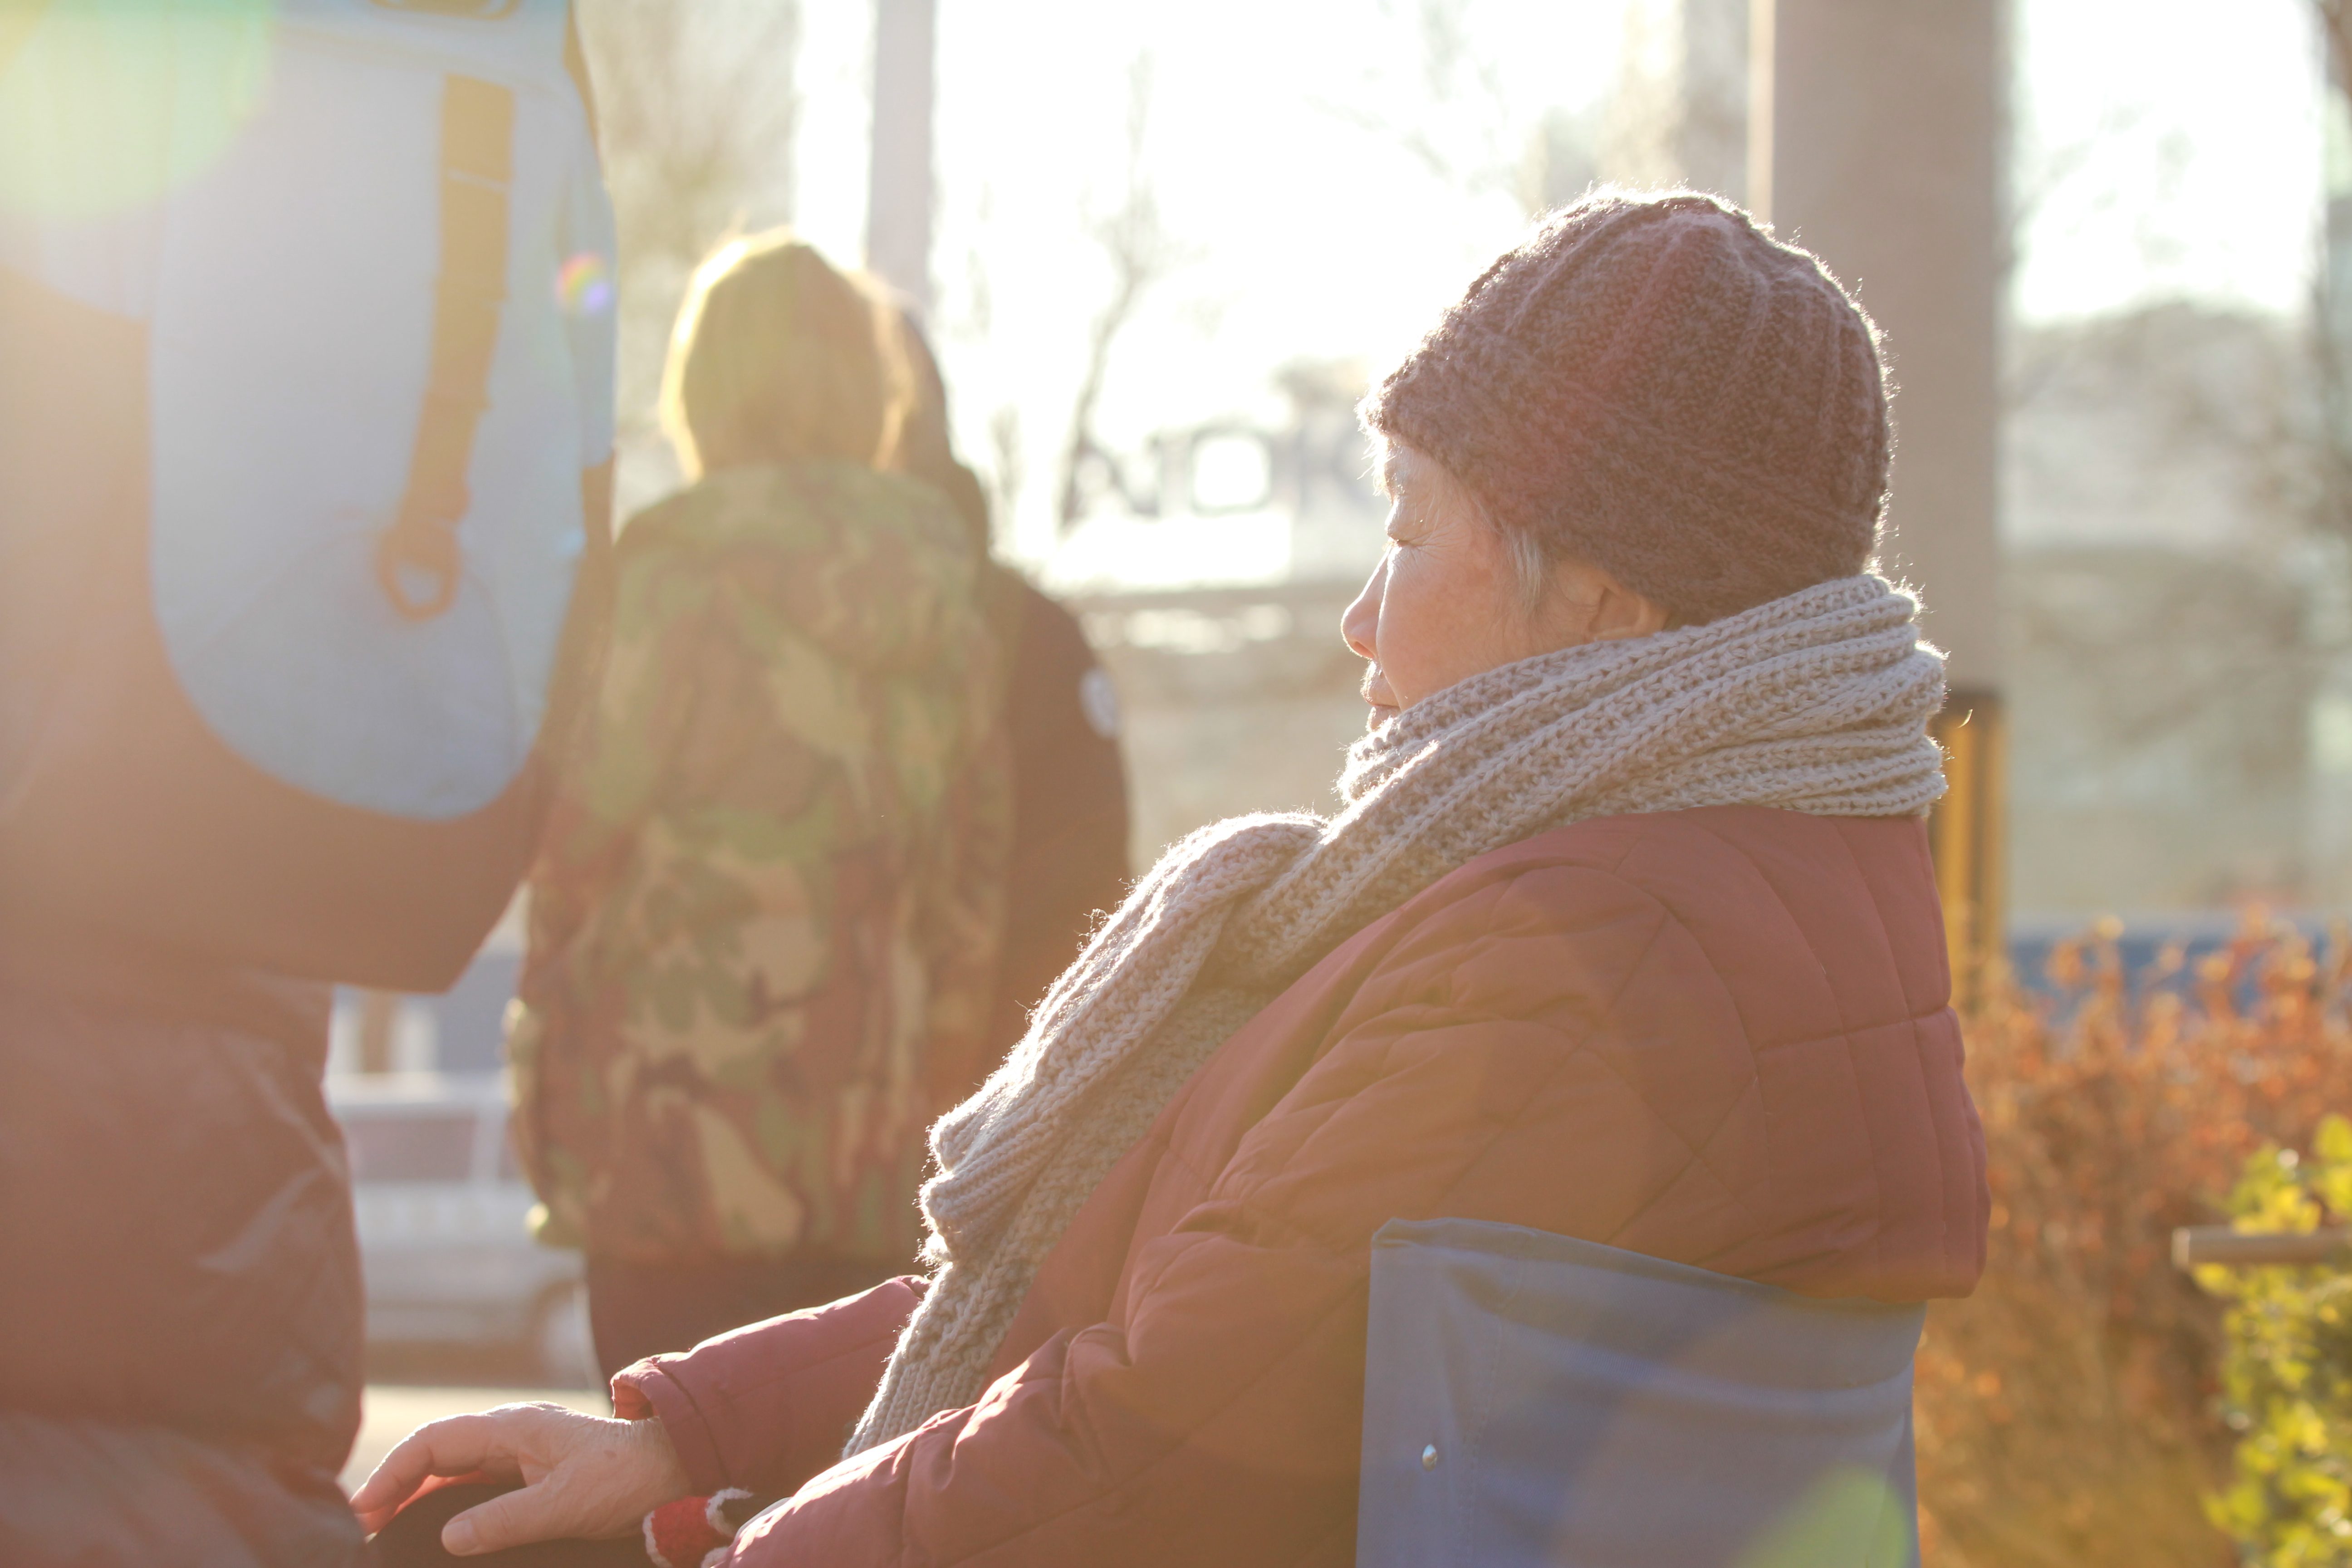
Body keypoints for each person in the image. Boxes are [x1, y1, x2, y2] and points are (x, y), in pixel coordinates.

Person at [357, 189, 1989, 1566]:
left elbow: (1145, 1439)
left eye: (1410, 533)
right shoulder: (1713, 876)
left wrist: (742, 1546)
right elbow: (1113, 1273)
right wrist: (684, 1434)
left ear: (1607, 592)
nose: (1362, 615)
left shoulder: (1584, 953)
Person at [502, 231, 1014, 1381]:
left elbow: (575, 844)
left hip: (667, 1151)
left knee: (664, 1502)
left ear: (704, 388)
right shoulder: (950, 605)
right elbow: (971, 912)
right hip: (871, 1173)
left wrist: (550, 1053)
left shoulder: (670, 578)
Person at [888, 322, 1132, 1087]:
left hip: (980, 1130)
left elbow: (1085, 903)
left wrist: (991, 1122)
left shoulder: (1033, 641)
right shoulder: (734, 635)